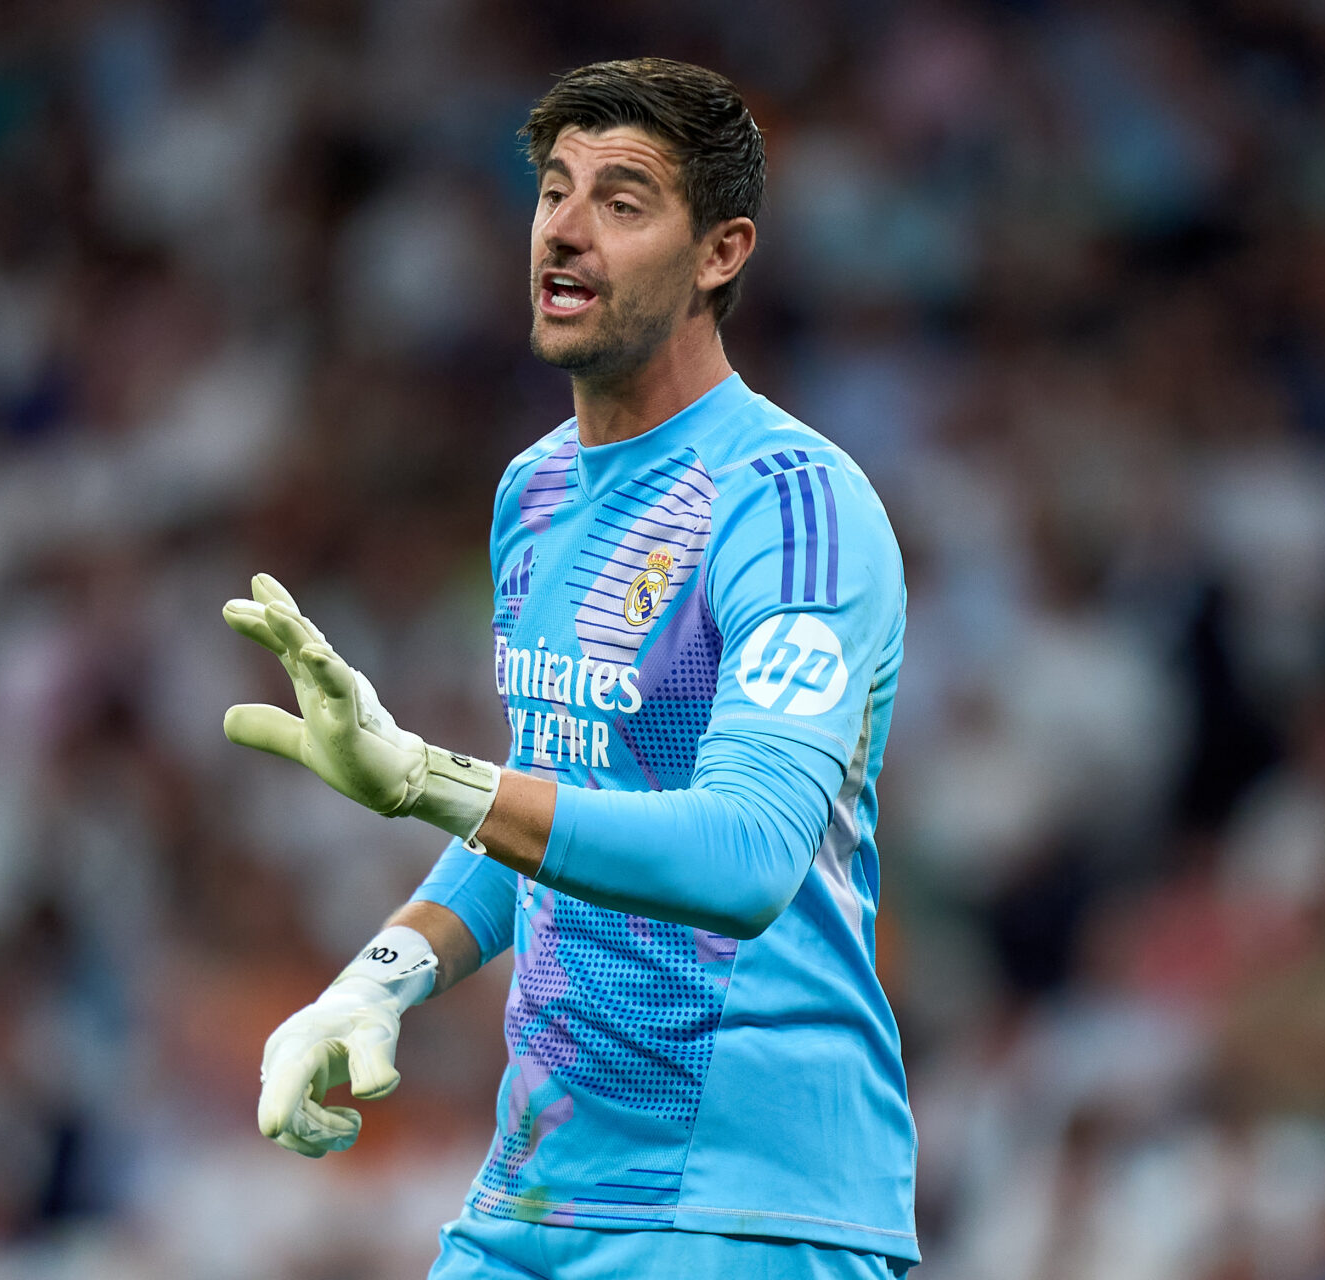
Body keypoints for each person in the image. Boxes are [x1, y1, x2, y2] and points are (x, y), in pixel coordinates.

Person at [222, 57, 917, 1279]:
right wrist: (377, 980)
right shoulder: (535, 491)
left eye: (625, 200)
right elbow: (557, 804)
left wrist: (429, 777)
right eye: (554, 190)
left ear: (721, 251)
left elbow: (747, 854)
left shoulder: (796, 506)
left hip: (745, 1207)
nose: (568, 230)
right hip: (540, 1194)